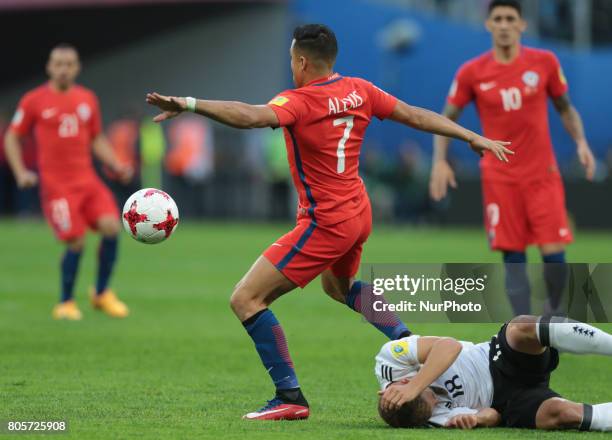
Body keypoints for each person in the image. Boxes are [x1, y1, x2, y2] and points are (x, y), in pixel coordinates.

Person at [146, 24, 512, 421]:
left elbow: (250, 116)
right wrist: (469, 135)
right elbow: (415, 115)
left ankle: (290, 396)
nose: (291, 66)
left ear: (301, 61)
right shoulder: (361, 90)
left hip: (326, 223)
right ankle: (411, 342)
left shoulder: (298, 101)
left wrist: (189, 103)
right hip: (358, 212)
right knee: (340, 288)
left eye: (291, 60)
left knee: (246, 299)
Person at [429, 0, 597, 316]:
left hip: (541, 174)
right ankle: (522, 330)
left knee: (553, 251)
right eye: (498, 19)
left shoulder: (544, 62)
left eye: (510, 18)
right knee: (513, 256)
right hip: (499, 177)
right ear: (488, 25)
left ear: (522, 25)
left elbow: (565, 107)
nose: (504, 24)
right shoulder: (472, 72)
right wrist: (439, 159)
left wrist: (582, 143)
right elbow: (446, 118)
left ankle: (554, 318)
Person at [4, 43, 132, 320]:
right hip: (57, 186)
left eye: (69, 64)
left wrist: (115, 165)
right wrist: (20, 172)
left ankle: (101, 293)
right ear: (49, 67)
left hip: (88, 180)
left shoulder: (87, 99)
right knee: (76, 242)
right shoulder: (33, 100)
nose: (63, 69)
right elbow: (13, 137)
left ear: (77, 68)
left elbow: (96, 138)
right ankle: (65, 303)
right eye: (58, 64)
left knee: (112, 227)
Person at [376, 315, 612, 431]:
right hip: (508, 402)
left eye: (431, 395)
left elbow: (449, 345)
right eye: (434, 404)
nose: (437, 400)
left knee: (521, 327)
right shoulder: (427, 418)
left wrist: (415, 387)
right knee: (564, 415)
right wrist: (477, 419)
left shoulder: (389, 361)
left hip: (497, 358)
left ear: (405, 381)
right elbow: (493, 416)